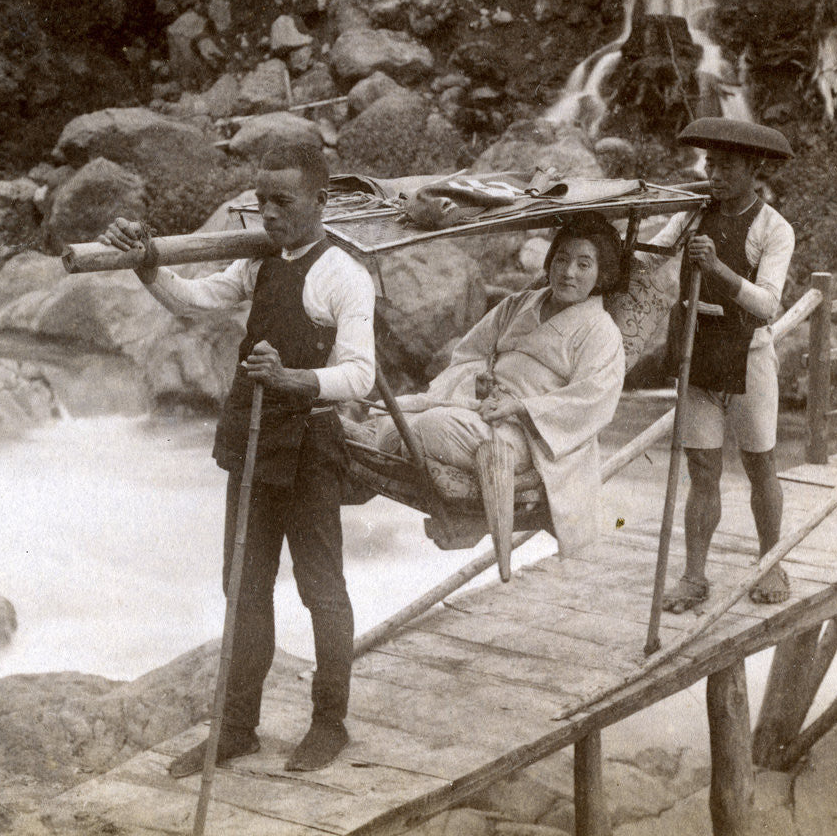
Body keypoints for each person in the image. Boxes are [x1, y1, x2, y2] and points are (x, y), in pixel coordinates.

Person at [98, 142, 375, 776]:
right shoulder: (260, 261)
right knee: (243, 588)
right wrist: (147, 266)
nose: (269, 213)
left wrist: (293, 377)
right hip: (251, 436)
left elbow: (360, 375)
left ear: (319, 202)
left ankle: (329, 723)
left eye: (284, 202)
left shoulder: (345, 275)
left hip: (309, 442)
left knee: (320, 587)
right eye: (261, 201)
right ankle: (238, 729)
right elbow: (194, 300)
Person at [376, 212, 626, 554]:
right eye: (563, 259)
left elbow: (593, 399)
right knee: (390, 416)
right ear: (550, 261)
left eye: (584, 264)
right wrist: (476, 382)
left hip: (529, 435)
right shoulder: (519, 303)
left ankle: (438, 473)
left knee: (430, 426)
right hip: (481, 409)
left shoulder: (601, 332)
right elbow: (471, 352)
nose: (569, 272)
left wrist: (521, 408)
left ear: (602, 274)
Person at [640, 118, 795, 611]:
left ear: (755, 172)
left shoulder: (775, 228)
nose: (715, 174)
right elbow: (653, 258)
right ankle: (694, 576)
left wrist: (718, 270)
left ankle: (772, 563)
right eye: (711, 164)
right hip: (695, 352)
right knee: (703, 469)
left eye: (727, 166)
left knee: (759, 465)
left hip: (748, 360)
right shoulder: (691, 214)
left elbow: (769, 306)